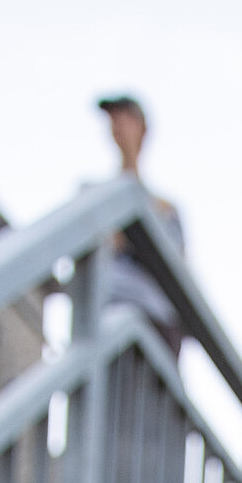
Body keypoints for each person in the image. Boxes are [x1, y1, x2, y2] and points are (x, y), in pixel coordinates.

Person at [97, 89, 187, 328]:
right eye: (114, 119)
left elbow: (176, 269)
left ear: (142, 129)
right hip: (106, 317)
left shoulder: (166, 209)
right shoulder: (95, 197)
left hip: (152, 320)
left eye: (125, 118)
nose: (118, 125)